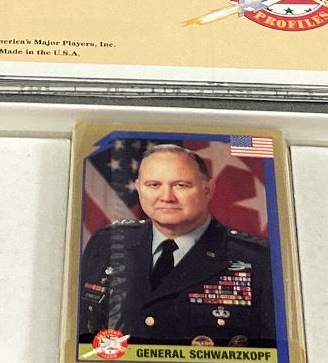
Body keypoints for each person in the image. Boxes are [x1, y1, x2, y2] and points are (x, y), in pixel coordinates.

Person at [78, 143, 277, 350]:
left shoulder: (259, 261)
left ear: (208, 189)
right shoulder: (107, 244)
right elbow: (83, 338)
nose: (167, 197)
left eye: (181, 185)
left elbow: (272, 357)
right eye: (153, 185)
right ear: (138, 188)